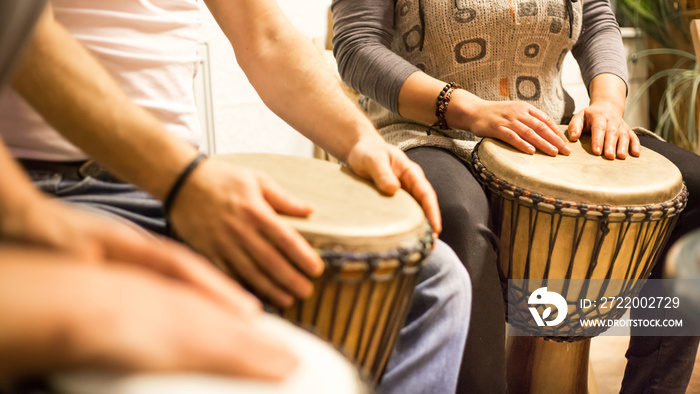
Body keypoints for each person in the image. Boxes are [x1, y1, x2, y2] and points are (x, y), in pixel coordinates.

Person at [1, 2, 472, 393]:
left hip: (180, 183)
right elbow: (26, 39)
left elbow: (263, 35)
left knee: (432, 284)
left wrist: (359, 139)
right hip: (57, 191)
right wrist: (181, 179)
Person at [331, 0, 700, 392]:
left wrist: (607, 104)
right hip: (425, 130)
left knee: (695, 188)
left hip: (547, 131)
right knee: (456, 214)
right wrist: (469, 109)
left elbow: (596, 19)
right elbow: (357, 46)